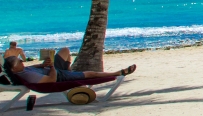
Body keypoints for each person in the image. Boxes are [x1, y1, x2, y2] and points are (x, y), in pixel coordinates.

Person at [2, 47, 134, 85]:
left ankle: (70, 69)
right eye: (19, 62)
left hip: (53, 69)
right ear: (14, 69)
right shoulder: (28, 75)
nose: (22, 62)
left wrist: (43, 64)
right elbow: (51, 80)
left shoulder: (24, 70)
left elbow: (34, 68)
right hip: (59, 75)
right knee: (90, 74)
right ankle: (118, 73)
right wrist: (52, 67)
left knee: (65, 50)